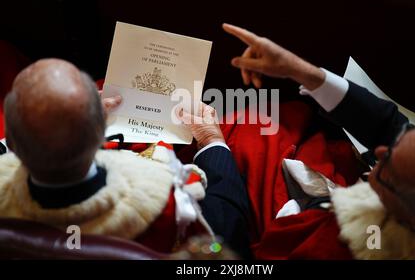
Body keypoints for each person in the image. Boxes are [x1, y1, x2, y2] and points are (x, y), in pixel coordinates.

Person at [177, 23, 415, 259]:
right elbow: (388, 125)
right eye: (399, 143)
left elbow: (227, 249)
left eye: (388, 163)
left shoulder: (329, 248)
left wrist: (212, 144)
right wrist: (300, 70)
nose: (378, 151)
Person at [0, 58, 251, 258]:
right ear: (102, 135)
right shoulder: (167, 201)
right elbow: (224, 240)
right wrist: (212, 142)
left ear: (10, 143)